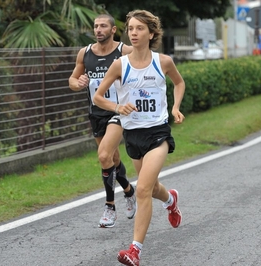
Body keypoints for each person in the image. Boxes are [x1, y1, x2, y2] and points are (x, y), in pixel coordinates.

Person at [93, 9, 185, 266]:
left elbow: (179, 83)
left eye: (139, 28)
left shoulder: (163, 61)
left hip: (158, 134)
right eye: (131, 28)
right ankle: (171, 199)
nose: (133, 33)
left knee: (143, 189)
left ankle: (135, 251)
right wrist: (117, 108)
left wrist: (175, 107)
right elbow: (98, 97)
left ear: (151, 33)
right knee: (153, 188)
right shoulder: (119, 65)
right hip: (133, 135)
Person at [68, 14, 136, 228]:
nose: (98, 29)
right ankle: (129, 191)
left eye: (103, 26)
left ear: (113, 30)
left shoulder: (124, 51)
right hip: (96, 112)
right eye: (96, 26)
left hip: (118, 112)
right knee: (112, 159)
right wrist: (78, 83)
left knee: (104, 155)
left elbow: (143, 65)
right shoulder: (85, 53)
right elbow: (71, 80)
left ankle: (109, 206)